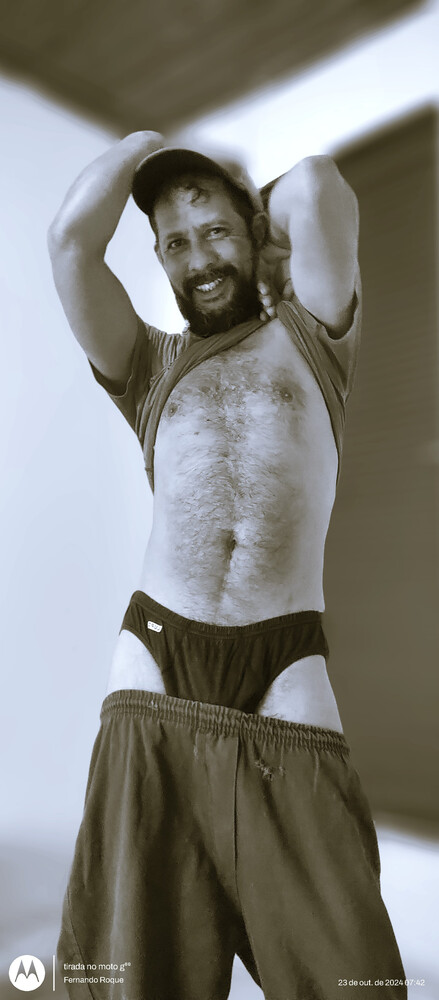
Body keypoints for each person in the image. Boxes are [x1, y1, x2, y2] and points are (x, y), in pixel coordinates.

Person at [48, 131, 407, 999]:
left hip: (283, 660)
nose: (199, 259)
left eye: (214, 232)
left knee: (344, 965)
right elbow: (70, 243)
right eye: (175, 243)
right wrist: (150, 148)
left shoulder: (315, 333)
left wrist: (245, 202)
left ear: (252, 230)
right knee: (132, 967)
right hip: (155, 656)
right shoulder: (149, 366)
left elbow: (316, 186)